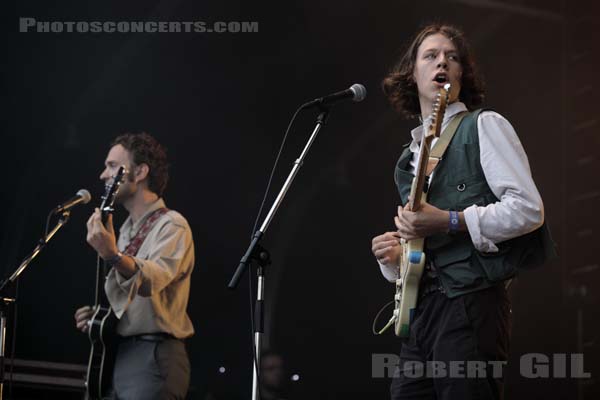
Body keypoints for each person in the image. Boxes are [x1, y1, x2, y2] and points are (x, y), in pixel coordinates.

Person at [371, 24, 555, 400]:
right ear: (413, 74)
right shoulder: (408, 160)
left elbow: (527, 210)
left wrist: (450, 220)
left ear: (461, 74)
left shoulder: (484, 125)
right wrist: (394, 258)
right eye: (431, 55)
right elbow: (418, 251)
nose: (443, 62)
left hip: (470, 304)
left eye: (452, 57)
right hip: (422, 314)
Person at [74, 132, 195, 399]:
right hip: (121, 353)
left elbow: (154, 279)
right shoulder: (125, 230)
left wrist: (113, 255)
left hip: (154, 354)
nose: (103, 175)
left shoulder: (172, 225)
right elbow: (131, 298)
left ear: (139, 172)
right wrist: (101, 316)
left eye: (112, 166)